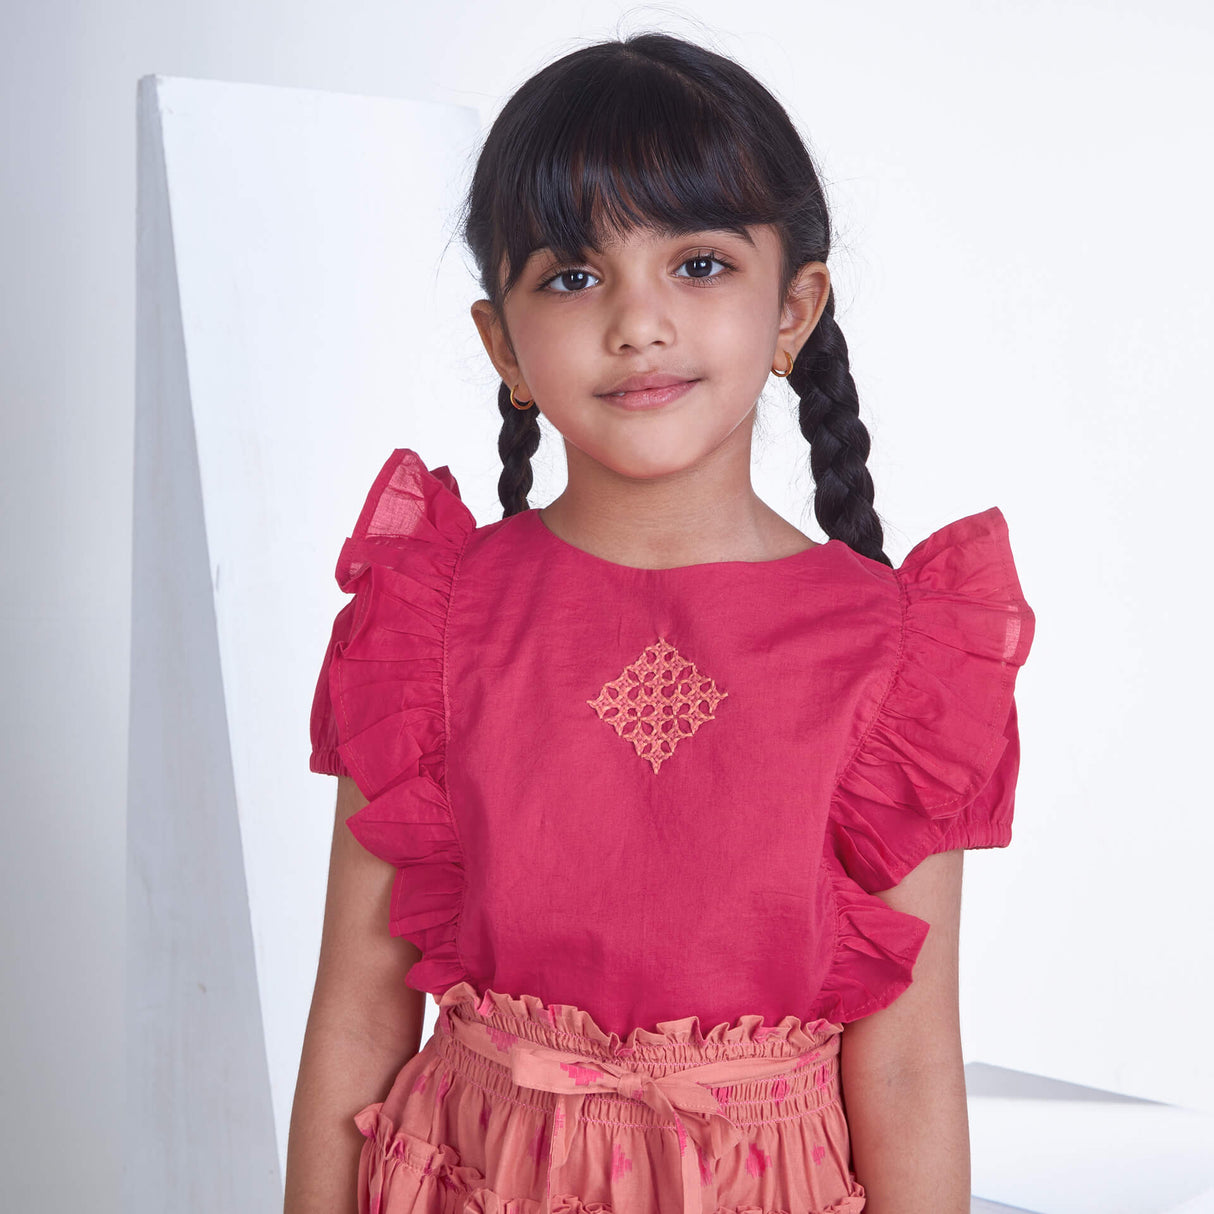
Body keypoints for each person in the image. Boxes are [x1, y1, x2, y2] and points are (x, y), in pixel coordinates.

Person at [284, 30, 1036, 1214]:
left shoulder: (902, 659)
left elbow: (903, 1060)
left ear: (793, 307)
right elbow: (358, 1006)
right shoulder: (424, 622)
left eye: (696, 264)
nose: (637, 322)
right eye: (574, 277)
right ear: (503, 345)